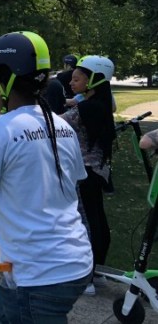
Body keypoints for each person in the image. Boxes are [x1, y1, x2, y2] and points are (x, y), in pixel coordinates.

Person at [0, 31, 92, 323]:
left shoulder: (1, 128)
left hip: (39, 272)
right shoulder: (61, 125)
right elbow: (72, 179)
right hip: (72, 258)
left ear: (5, 79)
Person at [60, 55, 116, 296]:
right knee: (97, 221)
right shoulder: (102, 103)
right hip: (98, 171)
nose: (72, 82)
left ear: (93, 79)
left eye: (77, 78)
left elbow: (55, 124)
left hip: (85, 173)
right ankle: (98, 271)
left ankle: (87, 278)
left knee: (85, 224)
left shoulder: (86, 109)